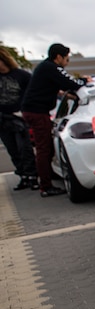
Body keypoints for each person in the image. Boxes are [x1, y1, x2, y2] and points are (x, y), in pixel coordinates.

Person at [20, 43, 90, 197]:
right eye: (67, 59)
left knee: (45, 148)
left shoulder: (45, 68)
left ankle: (47, 178)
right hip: (38, 112)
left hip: (33, 111)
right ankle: (45, 186)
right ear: (58, 57)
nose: (67, 62)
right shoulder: (51, 68)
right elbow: (71, 83)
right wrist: (85, 81)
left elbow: (61, 86)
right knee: (43, 149)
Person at [0, 48, 38, 190]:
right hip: (3, 119)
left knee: (25, 148)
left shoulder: (22, 75)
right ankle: (22, 175)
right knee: (12, 149)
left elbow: (32, 92)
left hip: (19, 117)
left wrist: (23, 110)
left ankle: (32, 176)